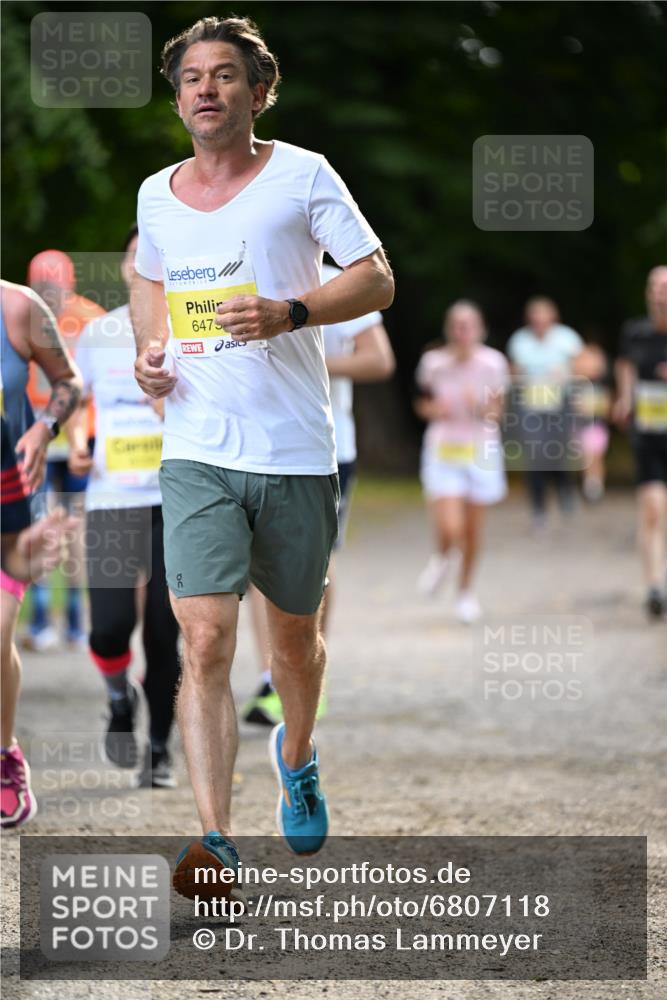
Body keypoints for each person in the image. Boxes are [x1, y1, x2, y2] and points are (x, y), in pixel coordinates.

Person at [130, 15, 393, 892]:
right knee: (202, 639)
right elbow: (151, 281)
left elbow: (377, 276)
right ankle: (216, 837)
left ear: (257, 91)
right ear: (178, 100)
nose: (205, 89)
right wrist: (150, 355)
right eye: (191, 79)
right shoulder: (155, 195)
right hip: (197, 449)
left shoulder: (303, 174)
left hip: (292, 450)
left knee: (293, 645)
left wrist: (293, 312)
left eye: (224, 76)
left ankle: (298, 753)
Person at [242, 262, 395, 727]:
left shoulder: (343, 281)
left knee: (311, 563)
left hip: (327, 447)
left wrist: (313, 360)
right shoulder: (251, 272)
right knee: (256, 567)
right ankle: (272, 677)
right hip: (256, 443)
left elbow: (380, 360)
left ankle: (308, 673)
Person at [67, 226, 181, 787]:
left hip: (178, 498)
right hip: (112, 498)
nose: (141, 266)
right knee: (109, 630)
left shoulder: (190, 330)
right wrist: (78, 442)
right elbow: (74, 398)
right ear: (122, 267)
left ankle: (159, 748)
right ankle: (119, 697)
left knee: (166, 628)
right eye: (133, 257)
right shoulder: (99, 333)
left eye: (151, 258)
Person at [0, 279, 82, 829]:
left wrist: (46, 428)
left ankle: (4, 752)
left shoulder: (17, 308)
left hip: (8, 499)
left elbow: (68, 383)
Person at [24, 250, 105, 652]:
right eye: (43, 289)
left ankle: (72, 621)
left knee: (72, 530)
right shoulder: (26, 315)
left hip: (74, 435)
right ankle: (44, 620)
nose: (50, 296)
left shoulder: (90, 319)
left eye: (53, 288)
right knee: (41, 524)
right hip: (38, 435)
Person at [414, 301, 509, 623]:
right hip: (444, 449)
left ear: (480, 329)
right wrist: (434, 411)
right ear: (448, 329)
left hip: (480, 450)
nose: (462, 332)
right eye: (457, 325)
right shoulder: (433, 363)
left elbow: (498, 412)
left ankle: (465, 592)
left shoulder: (493, 363)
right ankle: (442, 556)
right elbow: (422, 404)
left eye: (468, 325)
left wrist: (480, 407)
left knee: (472, 530)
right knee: (450, 526)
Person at [614, 265, 667, 618]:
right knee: (652, 510)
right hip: (649, 435)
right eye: (655, 286)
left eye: (666, 286)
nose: (660, 292)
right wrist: (624, 397)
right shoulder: (635, 332)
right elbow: (624, 365)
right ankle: (654, 586)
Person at [507, 297, 584, 531]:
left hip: (560, 403)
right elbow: (512, 373)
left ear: (553, 318)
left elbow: (587, 366)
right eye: (535, 318)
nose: (539, 322)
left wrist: (568, 373)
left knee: (558, 451)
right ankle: (538, 508)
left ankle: (565, 491)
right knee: (535, 454)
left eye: (543, 317)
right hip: (531, 405)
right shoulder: (519, 340)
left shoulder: (566, 338)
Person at [571, 337, 612, 503]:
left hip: (595, 427)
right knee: (586, 458)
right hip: (578, 428)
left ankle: (594, 485)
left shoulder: (599, 386)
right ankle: (590, 484)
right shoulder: (574, 386)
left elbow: (604, 408)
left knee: (594, 457)